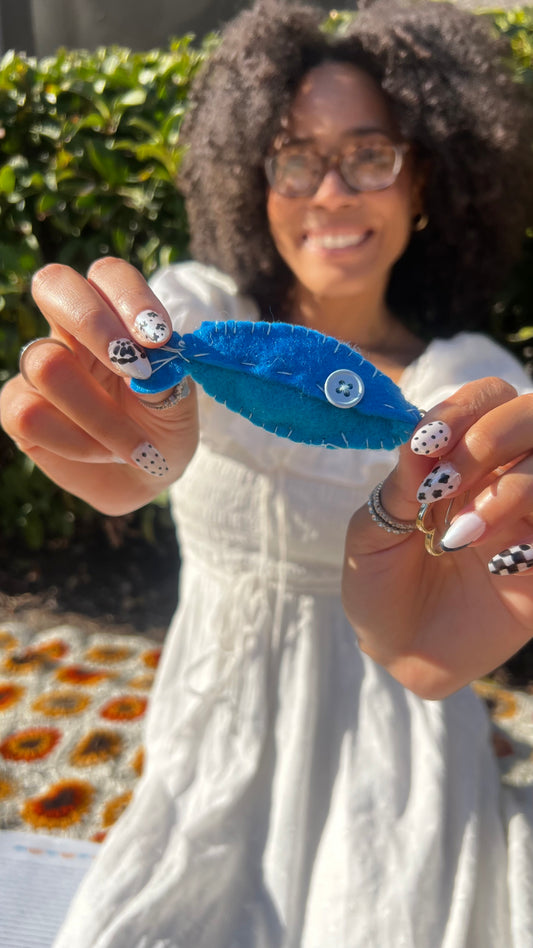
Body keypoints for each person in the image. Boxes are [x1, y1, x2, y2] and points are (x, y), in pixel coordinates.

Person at [2, 0, 533, 943]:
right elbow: (136, 451)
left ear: (423, 180)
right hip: (214, 741)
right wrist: (125, 448)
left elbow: (494, 561)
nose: (330, 192)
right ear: (253, 178)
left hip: (393, 760)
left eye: (369, 154)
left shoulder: (467, 391)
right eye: (295, 158)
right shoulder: (200, 324)